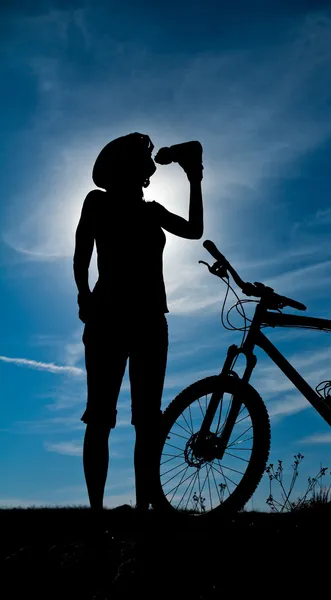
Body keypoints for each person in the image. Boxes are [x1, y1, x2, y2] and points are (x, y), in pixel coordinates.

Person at [73, 132, 203, 527]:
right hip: (108, 317)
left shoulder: (153, 211)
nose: (150, 160)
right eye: (142, 155)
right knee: (100, 416)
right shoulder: (97, 202)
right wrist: (84, 297)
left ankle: (146, 507)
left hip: (150, 320)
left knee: (147, 418)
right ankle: (96, 513)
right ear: (125, 165)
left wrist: (195, 179)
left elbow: (195, 230)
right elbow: (81, 255)